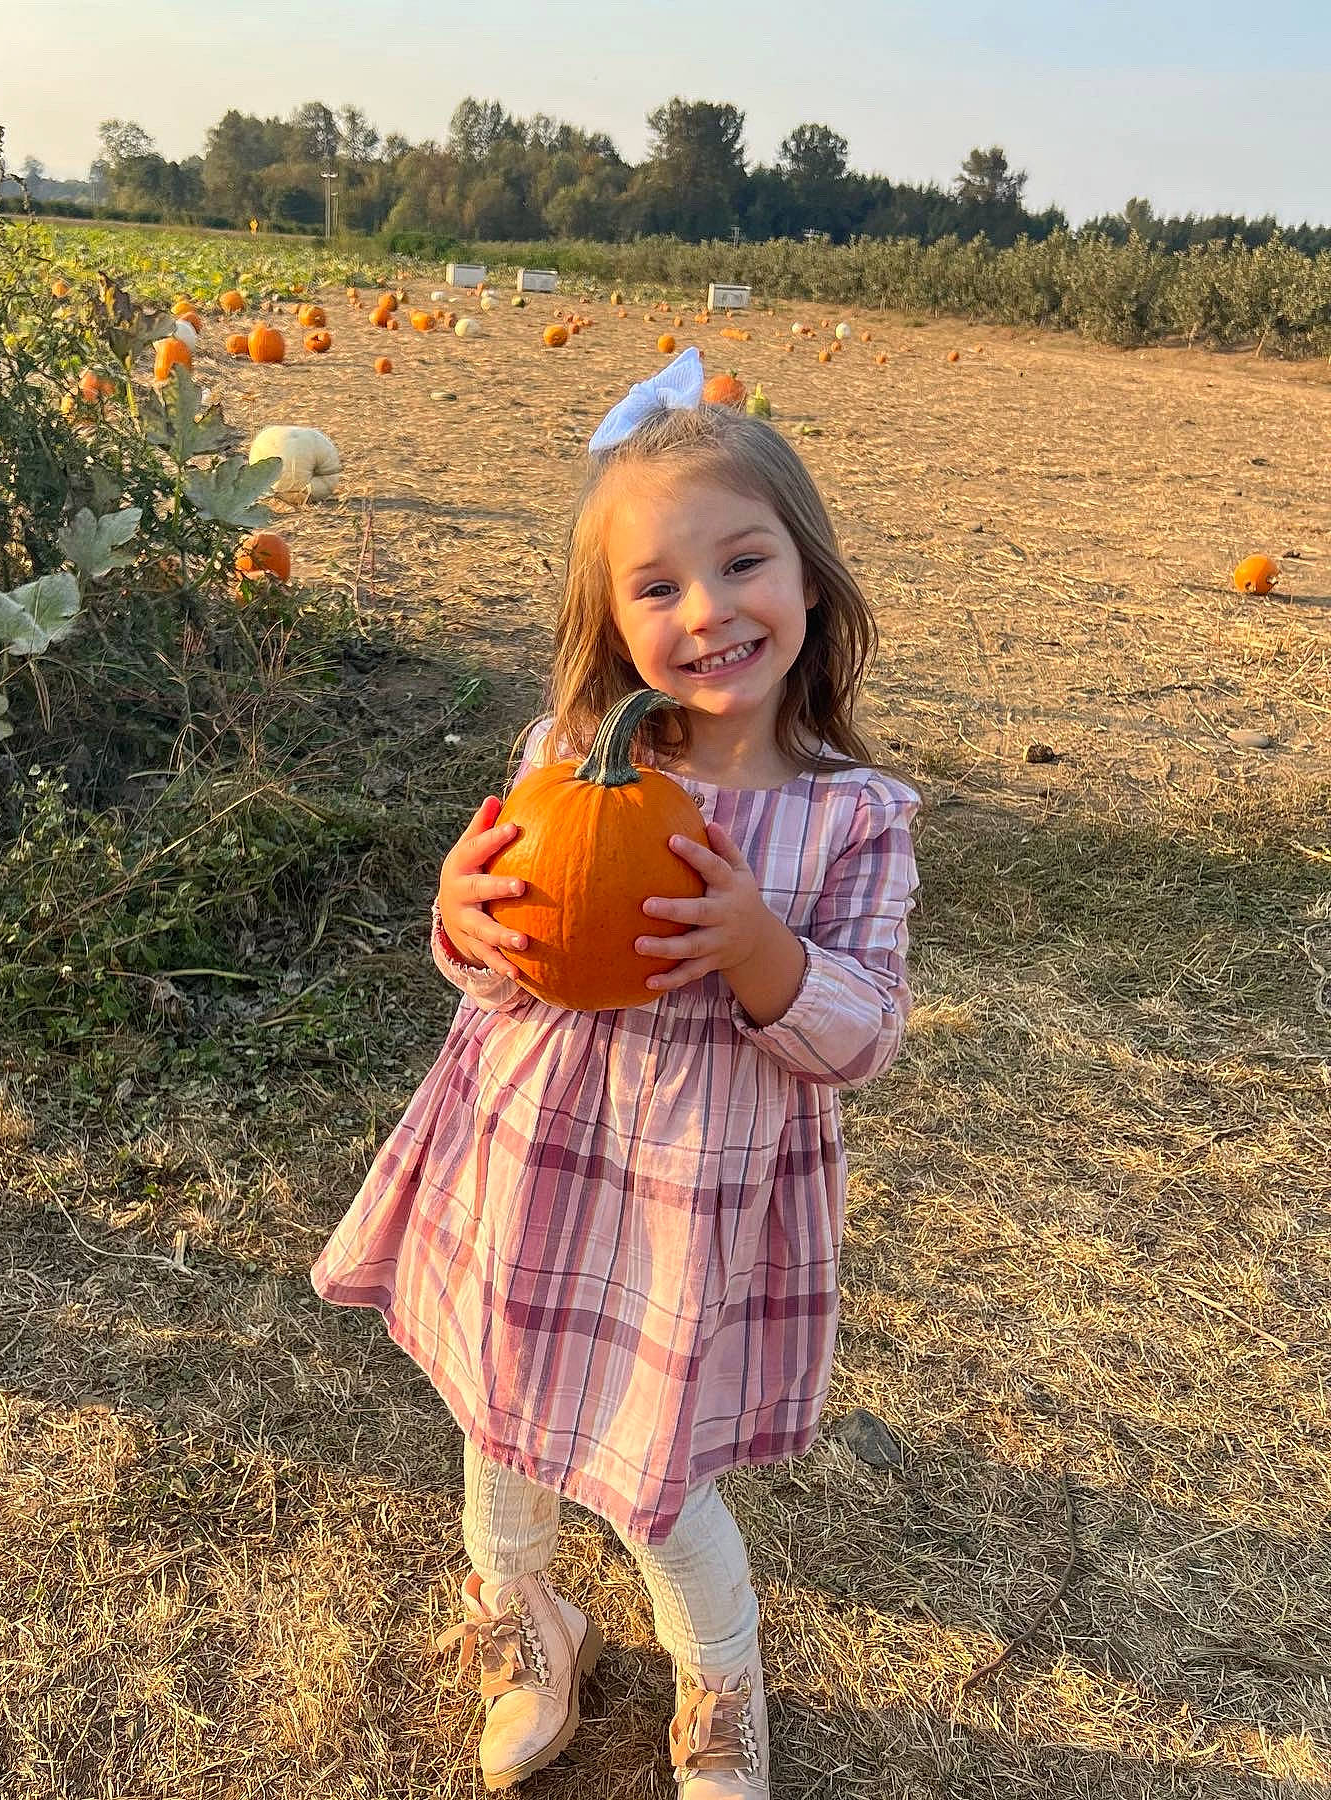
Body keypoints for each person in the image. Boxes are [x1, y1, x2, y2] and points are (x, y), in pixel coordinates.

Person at [311, 348, 921, 1795]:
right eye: (658, 588)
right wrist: (460, 923)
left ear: (813, 580)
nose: (706, 611)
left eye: (743, 562)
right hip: (526, 1162)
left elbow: (866, 1035)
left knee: (661, 1479)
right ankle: (528, 1621)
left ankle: (721, 1691)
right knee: (497, 1421)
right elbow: (498, 963)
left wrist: (762, 947)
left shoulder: (851, 821)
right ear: (613, 621)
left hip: (685, 1208)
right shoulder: (561, 757)